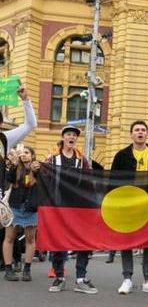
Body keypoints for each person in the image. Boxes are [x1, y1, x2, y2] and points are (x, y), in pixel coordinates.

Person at [111, 120, 148, 295]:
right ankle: (127, 278)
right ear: (131, 134)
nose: (140, 132)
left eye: (143, 130)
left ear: (147, 134)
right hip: (128, 205)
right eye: (136, 130)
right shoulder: (121, 156)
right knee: (126, 241)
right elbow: (112, 181)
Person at [46, 126, 97, 294]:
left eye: (74, 135)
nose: (72, 137)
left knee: (83, 241)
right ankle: (59, 277)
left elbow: (90, 181)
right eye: (68, 134)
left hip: (78, 207)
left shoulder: (82, 159)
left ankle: (81, 278)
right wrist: (35, 168)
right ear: (63, 138)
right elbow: (44, 177)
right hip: (57, 206)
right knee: (57, 242)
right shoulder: (52, 158)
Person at [2, 147, 40, 281]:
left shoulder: (38, 168)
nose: (23, 155)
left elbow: (45, 182)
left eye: (27, 152)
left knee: (30, 239)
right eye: (21, 153)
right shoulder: (16, 168)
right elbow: (8, 179)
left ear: (33, 155)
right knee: (9, 238)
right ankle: (8, 270)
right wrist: (13, 163)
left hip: (31, 208)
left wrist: (37, 170)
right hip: (15, 207)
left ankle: (27, 270)